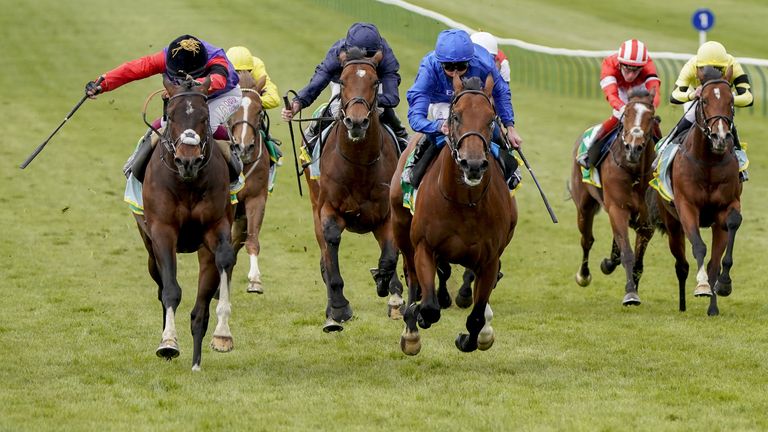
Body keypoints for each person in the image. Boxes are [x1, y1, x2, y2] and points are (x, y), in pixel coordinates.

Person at [85, 34, 243, 182]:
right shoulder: (167, 56)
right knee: (166, 124)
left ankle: (234, 163)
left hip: (224, 95)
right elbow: (133, 69)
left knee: (209, 123)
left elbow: (219, 80)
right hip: (187, 97)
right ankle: (136, 159)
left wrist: (188, 86)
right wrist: (103, 84)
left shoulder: (216, 57)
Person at [403, 29, 522, 189]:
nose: (455, 72)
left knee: (489, 124)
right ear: (440, 62)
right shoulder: (429, 68)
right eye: (448, 67)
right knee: (445, 124)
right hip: (441, 102)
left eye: (461, 66)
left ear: (470, 61)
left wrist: (510, 126)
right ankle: (417, 160)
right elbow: (416, 116)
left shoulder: (484, 63)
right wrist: (437, 126)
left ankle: (509, 162)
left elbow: (501, 92)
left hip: (472, 100)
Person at [280, 22, 409, 149]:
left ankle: (402, 138)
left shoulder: (386, 56)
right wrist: (298, 103)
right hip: (344, 82)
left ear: (378, 52)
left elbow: (392, 97)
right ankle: (311, 136)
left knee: (385, 111)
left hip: (371, 84)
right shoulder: (336, 53)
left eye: (369, 56)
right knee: (334, 108)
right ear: (347, 51)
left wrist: (367, 100)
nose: (363, 61)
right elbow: (318, 82)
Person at [664, 41, 753, 180]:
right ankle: (665, 149)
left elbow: (748, 97)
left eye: (719, 69)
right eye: (705, 68)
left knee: (726, 121)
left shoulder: (732, 64)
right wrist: (691, 95)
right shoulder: (691, 65)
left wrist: (725, 99)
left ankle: (739, 162)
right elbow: (674, 96)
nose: (712, 72)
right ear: (699, 68)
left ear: (725, 66)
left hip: (722, 99)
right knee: (690, 117)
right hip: (699, 98)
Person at [577, 39, 661, 168]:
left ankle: (661, 154)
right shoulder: (609, 65)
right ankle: (590, 152)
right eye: (627, 69)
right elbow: (611, 95)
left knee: (648, 119)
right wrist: (622, 108)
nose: (631, 75)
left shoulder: (648, 64)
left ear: (642, 67)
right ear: (620, 64)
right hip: (620, 89)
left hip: (639, 89)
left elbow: (655, 92)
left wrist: (651, 108)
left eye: (636, 70)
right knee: (618, 117)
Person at [226, 45, 283, 162]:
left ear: (252, 68)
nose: (242, 74)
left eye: (247, 71)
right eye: (236, 72)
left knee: (260, 127)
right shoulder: (220, 67)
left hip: (249, 115)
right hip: (225, 111)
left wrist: (249, 103)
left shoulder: (257, 66)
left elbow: (274, 99)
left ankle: (271, 156)